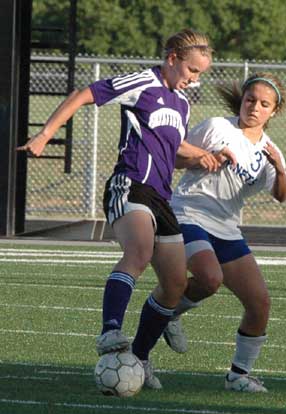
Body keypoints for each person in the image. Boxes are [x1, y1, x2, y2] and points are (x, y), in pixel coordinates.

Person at [17, 29, 221, 390]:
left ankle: (140, 358)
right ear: (172, 58)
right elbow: (84, 94)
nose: (196, 78)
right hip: (130, 185)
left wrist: (202, 159)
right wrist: (45, 134)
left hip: (162, 197)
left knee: (174, 286)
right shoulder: (143, 81)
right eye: (192, 70)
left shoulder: (181, 103)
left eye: (201, 73)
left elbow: (170, 155)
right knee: (139, 252)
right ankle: (110, 330)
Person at [163, 72, 286, 392]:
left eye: (264, 104)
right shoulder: (218, 127)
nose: (255, 107)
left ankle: (239, 375)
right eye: (251, 100)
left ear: (273, 112)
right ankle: (167, 315)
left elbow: (282, 195)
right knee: (209, 278)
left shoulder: (269, 151)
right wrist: (207, 158)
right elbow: (177, 157)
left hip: (226, 226)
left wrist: (280, 168)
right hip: (189, 211)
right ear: (242, 100)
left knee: (259, 303)